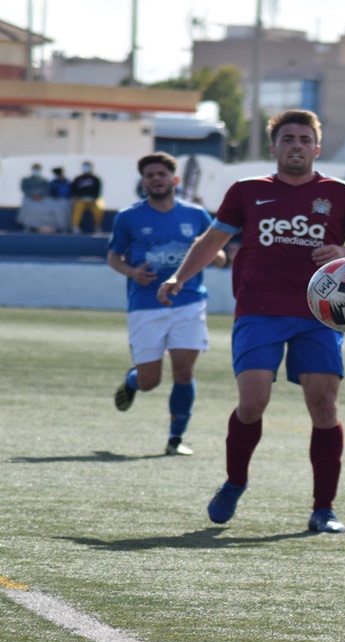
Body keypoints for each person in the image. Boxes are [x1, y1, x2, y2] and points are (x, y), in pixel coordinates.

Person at [157, 109, 345, 534]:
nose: (295, 145)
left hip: (319, 314)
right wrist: (178, 276)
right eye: (287, 139)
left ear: (316, 148)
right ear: (275, 147)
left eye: (303, 139)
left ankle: (323, 508)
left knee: (323, 406)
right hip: (259, 308)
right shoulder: (246, 191)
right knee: (252, 402)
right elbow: (213, 241)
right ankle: (235, 480)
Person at [108, 152, 223, 456]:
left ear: (174, 179)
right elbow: (113, 257)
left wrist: (220, 257)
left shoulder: (196, 214)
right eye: (149, 176)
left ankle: (175, 437)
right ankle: (133, 382)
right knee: (151, 381)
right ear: (143, 182)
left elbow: (214, 249)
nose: (155, 180)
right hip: (145, 306)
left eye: (161, 174)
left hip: (188, 302)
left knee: (184, 371)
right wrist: (132, 272)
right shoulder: (128, 217)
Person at [70, 160, 104, 234]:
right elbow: (73, 190)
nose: (86, 168)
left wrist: (95, 199)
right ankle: (75, 227)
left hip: (92, 200)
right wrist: (74, 198)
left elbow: (98, 191)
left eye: (87, 167)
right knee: (78, 209)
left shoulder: (95, 179)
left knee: (99, 209)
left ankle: (97, 226)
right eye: (85, 167)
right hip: (81, 199)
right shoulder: (78, 178)